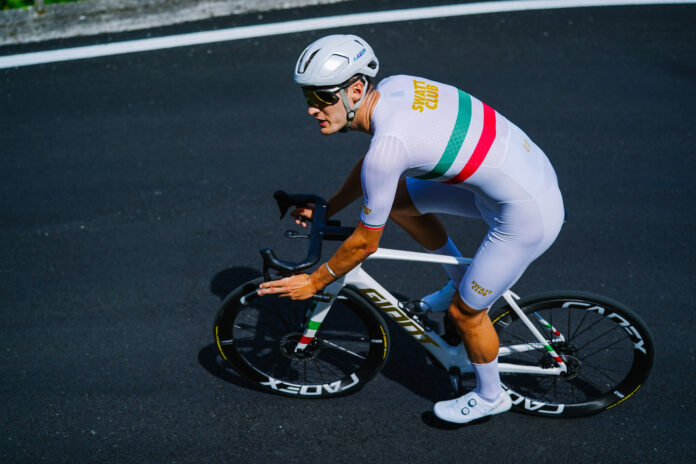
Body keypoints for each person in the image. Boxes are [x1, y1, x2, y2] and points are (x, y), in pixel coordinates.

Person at [258, 34, 565, 423]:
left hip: (527, 214)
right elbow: (375, 169)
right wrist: (328, 206)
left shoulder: (388, 147)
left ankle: (490, 395)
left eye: (321, 97)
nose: (311, 109)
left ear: (355, 90)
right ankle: (459, 277)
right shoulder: (395, 87)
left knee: (465, 314)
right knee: (401, 202)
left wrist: (314, 281)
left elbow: (365, 243)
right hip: (526, 178)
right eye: (307, 97)